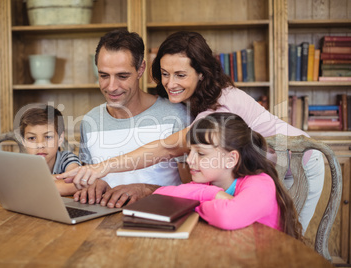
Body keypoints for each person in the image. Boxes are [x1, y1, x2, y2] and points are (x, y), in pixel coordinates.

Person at [58, 31, 324, 232]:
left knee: (287, 234)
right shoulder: (190, 103)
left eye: (180, 75)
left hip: (302, 161)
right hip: (262, 167)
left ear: (201, 74)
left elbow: (168, 147)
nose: (170, 83)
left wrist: (103, 168)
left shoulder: (218, 105)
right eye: (164, 73)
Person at [71, 29, 190, 208]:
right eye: (103, 75)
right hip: (102, 222)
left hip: (160, 219)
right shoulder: (90, 121)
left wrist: (147, 189)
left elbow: (193, 189)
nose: (111, 87)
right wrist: (93, 186)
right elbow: (88, 178)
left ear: (141, 69)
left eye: (122, 76)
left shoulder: (176, 116)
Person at [154, 112, 303, 239]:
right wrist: (214, 195)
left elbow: (227, 217)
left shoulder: (261, 184)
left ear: (231, 159)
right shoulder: (208, 184)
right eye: (189, 152)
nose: (189, 160)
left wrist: (194, 205)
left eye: (200, 153)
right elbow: (160, 196)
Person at [0, 104, 80, 198]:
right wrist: (51, 182)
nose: (40, 144)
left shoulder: (67, 158)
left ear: (60, 139)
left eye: (48, 137)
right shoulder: (20, 163)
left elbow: (75, 184)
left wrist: (22, 185)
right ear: (23, 141)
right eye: (32, 138)